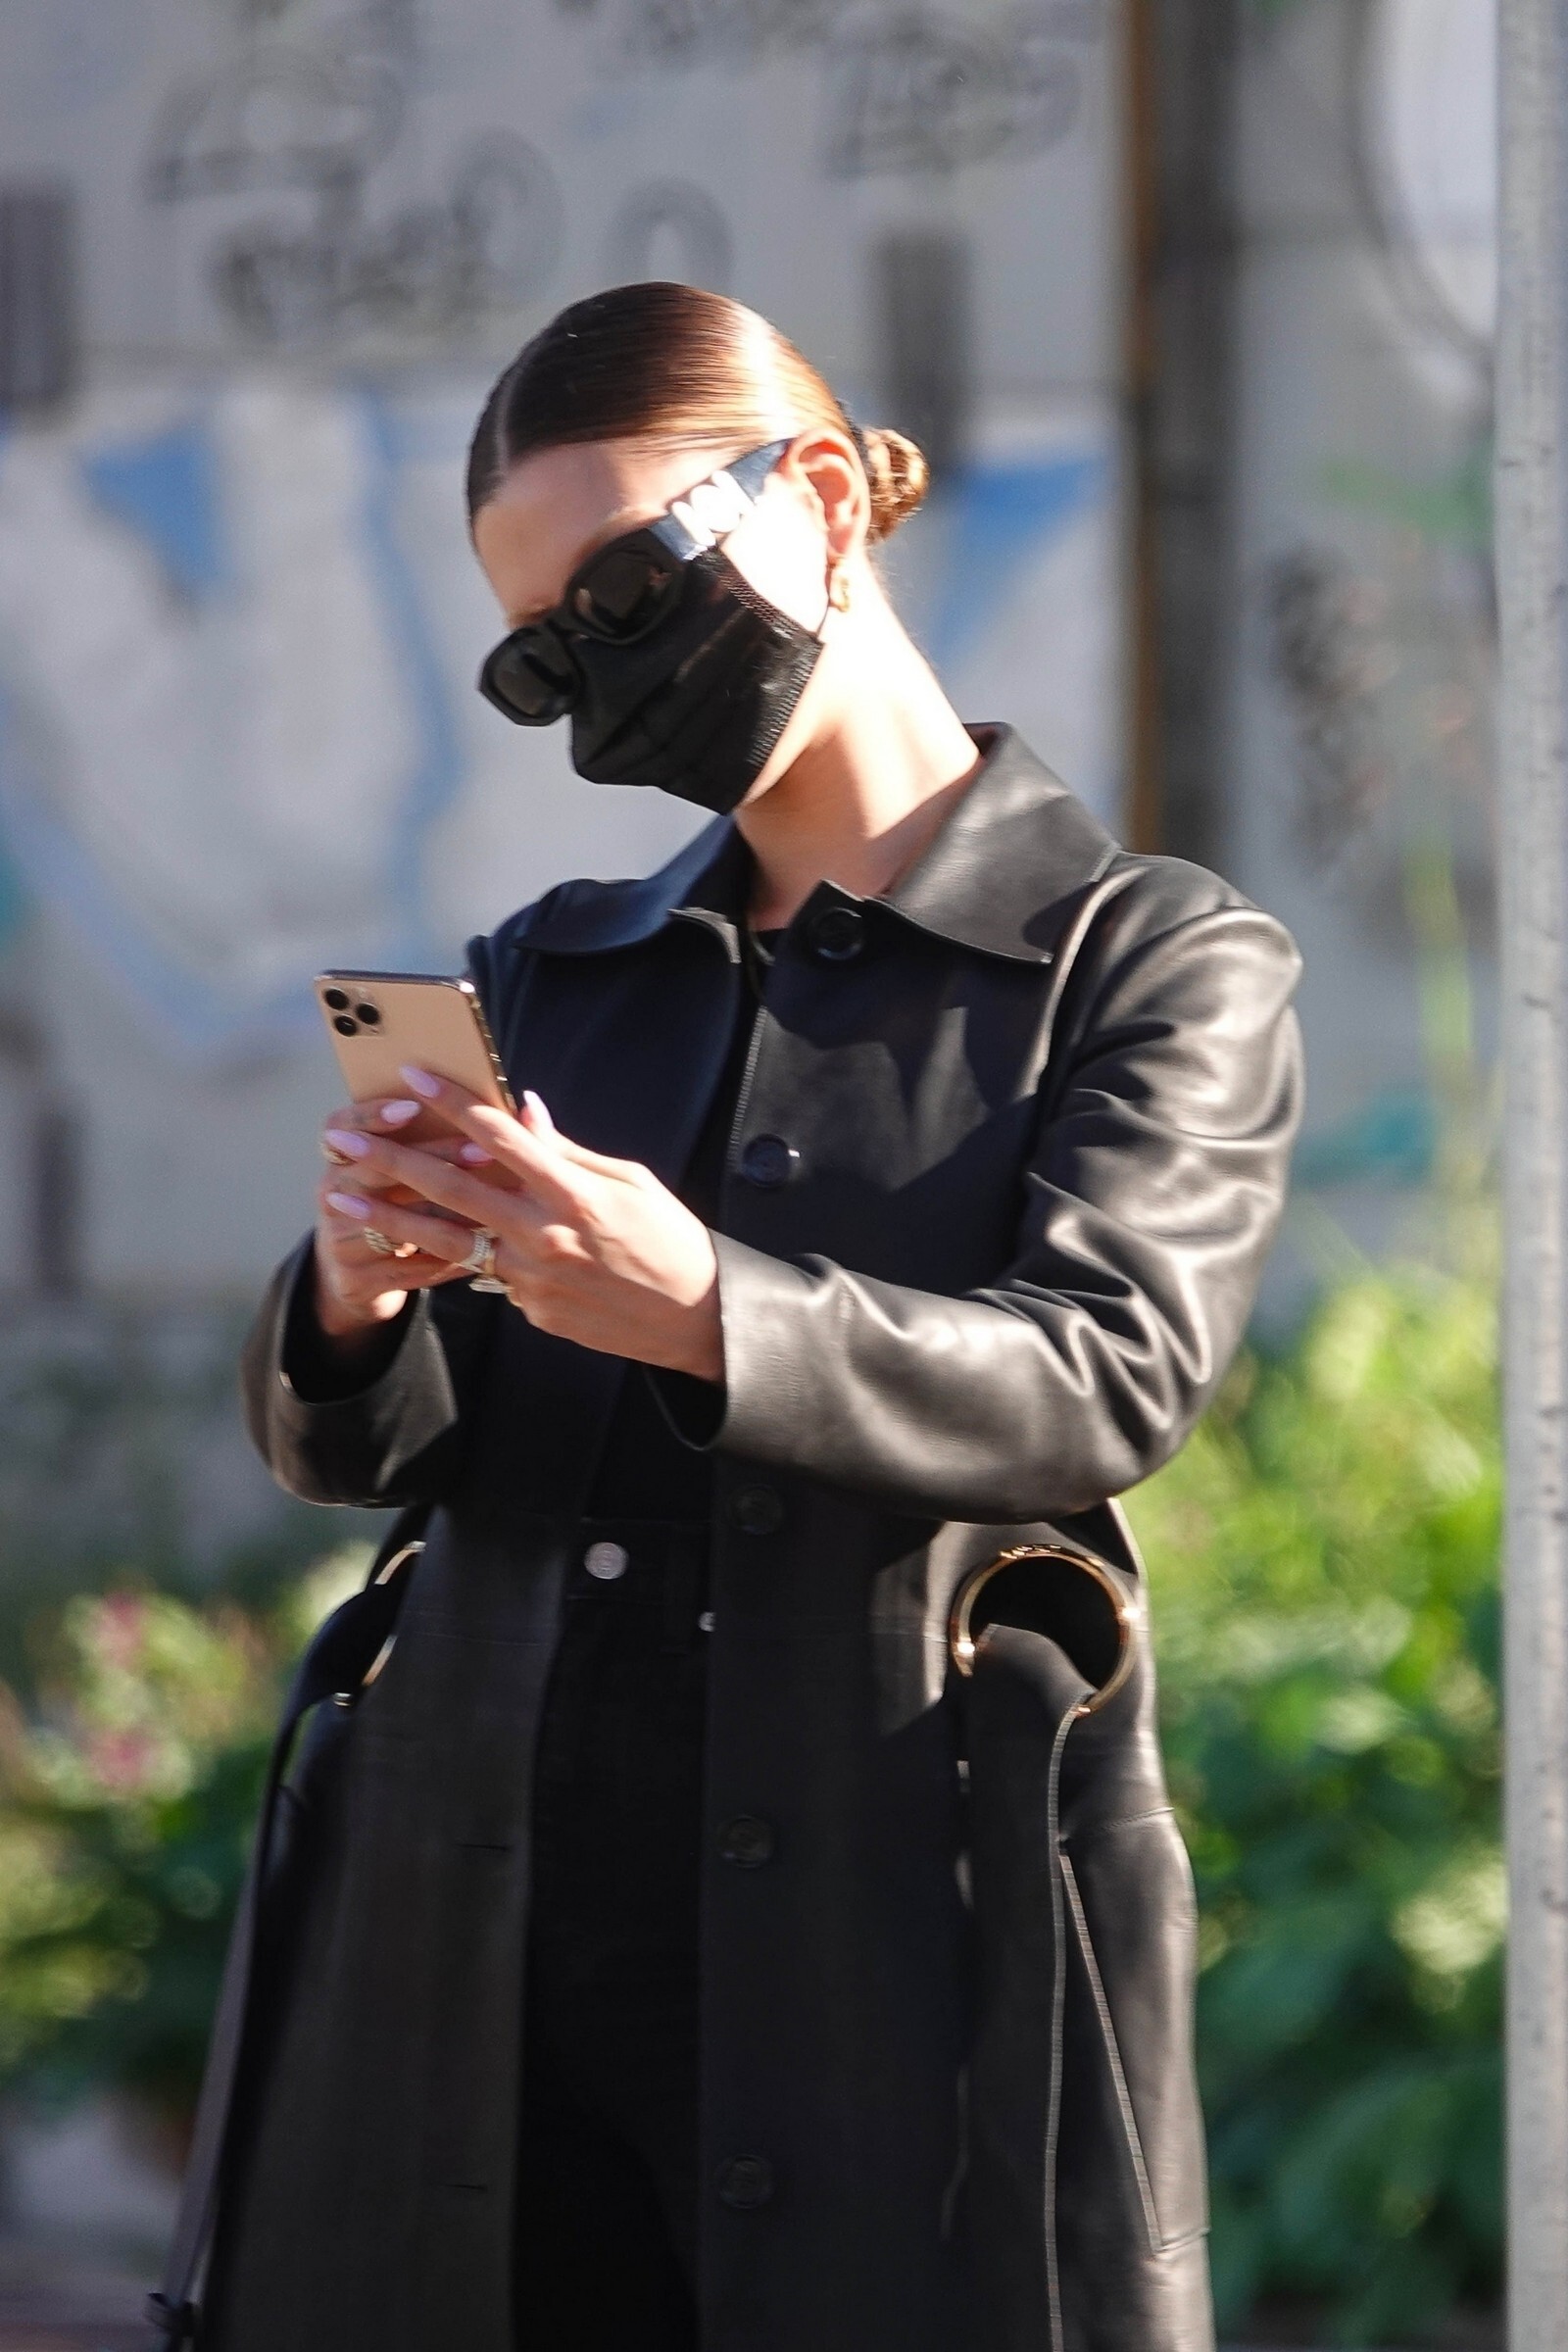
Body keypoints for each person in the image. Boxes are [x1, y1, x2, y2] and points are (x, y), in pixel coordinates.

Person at [198, 282, 1302, 2352]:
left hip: (900, 1946)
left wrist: (707, 1307)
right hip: (483, 1946)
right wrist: (353, 1297)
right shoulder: (547, 972)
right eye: (542, 655)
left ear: (821, 495)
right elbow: (374, 1450)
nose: (598, 674)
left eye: (627, 590)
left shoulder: (1146, 958)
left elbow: (1110, 1373)